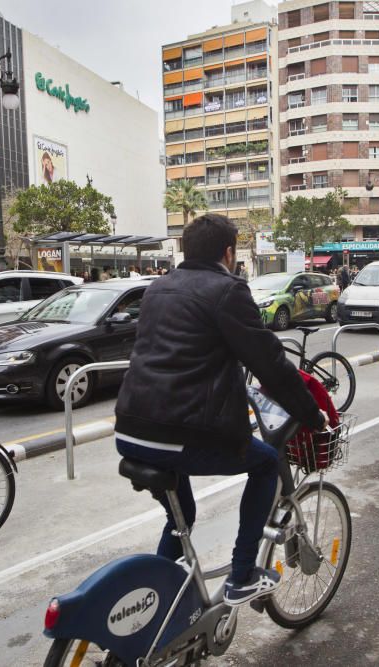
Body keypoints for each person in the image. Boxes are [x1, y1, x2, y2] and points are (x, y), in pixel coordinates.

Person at [114, 213, 328, 607]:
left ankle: (155, 603)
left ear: (185, 249)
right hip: (179, 434)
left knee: (182, 514)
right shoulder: (228, 291)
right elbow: (269, 363)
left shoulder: (158, 287)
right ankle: (242, 575)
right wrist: (313, 414)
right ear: (229, 253)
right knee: (264, 464)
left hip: (129, 430)